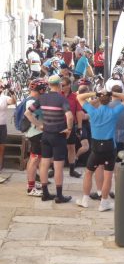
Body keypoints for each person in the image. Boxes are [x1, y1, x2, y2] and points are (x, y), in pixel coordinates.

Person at [76, 89, 124, 211]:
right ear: (109, 100)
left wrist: (95, 94)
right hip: (109, 147)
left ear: (99, 100)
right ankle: (104, 203)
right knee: (108, 176)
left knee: (88, 173)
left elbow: (80, 97)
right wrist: (112, 93)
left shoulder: (93, 111)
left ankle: (85, 200)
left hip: (95, 147)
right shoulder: (113, 112)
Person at [24, 75, 74, 203]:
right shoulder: (62, 99)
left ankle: (45, 193)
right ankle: (59, 195)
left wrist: (39, 124)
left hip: (45, 134)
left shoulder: (42, 98)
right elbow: (69, 116)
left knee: (44, 164)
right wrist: (68, 129)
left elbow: (28, 113)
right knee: (58, 166)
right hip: (58, 135)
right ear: (60, 85)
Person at [24, 79, 47, 196]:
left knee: (32, 159)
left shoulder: (29, 99)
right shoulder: (32, 102)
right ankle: (31, 188)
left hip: (32, 133)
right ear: (41, 90)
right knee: (35, 160)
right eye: (44, 89)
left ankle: (31, 183)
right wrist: (39, 125)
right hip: (36, 133)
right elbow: (27, 114)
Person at [61, 77, 83, 178]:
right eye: (61, 85)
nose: (62, 87)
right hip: (59, 125)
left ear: (69, 85)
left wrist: (79, 127)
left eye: (64, 85)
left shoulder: (75, 96)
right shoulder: (58, 95)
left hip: (71, 125)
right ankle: (54, 168)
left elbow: (78, 112)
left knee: (71, 148)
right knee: (57, 147)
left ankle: (72, 169)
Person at [0, 83, 17, 170]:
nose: (1, 88)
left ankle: (0, 165)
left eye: (1, 87)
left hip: (2, 125)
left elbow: (14, 101)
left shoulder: (4, 98)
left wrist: (12, 92)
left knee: (2, 146)